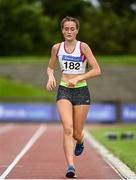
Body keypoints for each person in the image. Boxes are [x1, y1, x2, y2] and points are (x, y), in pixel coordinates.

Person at [46, 16, 101, 178]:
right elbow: (50, 68)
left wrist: (79, 77)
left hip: (81, 91)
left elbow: (97, 70)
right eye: (66, 29)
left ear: (77, 30)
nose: (69, 31)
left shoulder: (83, 47)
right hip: (64, 90)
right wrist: (50, 76)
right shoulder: (57, 48)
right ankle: (71, 166)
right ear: (62, 30)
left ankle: (81, 139)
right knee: (67, 128)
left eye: (72, 29)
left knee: (76, 133)